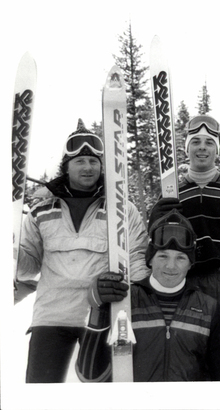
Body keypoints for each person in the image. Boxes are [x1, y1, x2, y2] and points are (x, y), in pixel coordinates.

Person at [16, 119, 150, 383]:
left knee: (99, 395)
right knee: (43, 397)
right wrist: (11, 252)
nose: (88, 167)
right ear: (66, 167)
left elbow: (136, 258)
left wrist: (146, 299)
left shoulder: (122, 209)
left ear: (102, 166)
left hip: (103, 316)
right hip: (51, 319)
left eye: (93, 161)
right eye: (79, 161)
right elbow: (28, 268)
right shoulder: (42, 211)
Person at [76, 210, 220, 381]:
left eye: (180, 258)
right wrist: (99, 312)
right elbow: (89, 376)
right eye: (163, 256)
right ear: (150, 259)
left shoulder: (208, 308)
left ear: (190, 264)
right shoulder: (125, 301)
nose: (171, 266)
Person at [148, 114, 220, 379]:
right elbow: (157, 245)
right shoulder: (173, 195)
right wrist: (155, 217)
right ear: (187, 149)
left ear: (217, 149)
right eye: (196, 142)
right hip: (191, 285)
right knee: (197, 355)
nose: (202, 147)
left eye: (209, 142)